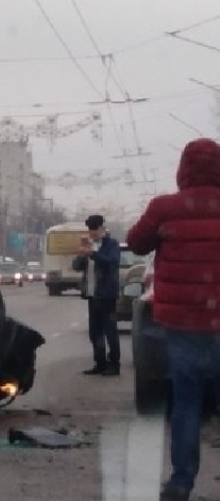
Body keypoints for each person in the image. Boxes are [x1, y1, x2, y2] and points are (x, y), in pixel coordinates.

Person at [126, 137, 220, 501]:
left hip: (184, 324)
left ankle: (182, 482)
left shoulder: (165, 208)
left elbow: (136, 242)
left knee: (187, 401)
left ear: (183, 169)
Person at [72, 214, 122, 376]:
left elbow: (111, 262)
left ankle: (114, 364)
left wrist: (92, 253)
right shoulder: (89, 244)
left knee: (110, 331)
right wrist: (81, 254)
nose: (92, 233)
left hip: (107, 295)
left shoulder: (111, 244)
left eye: (95, 229)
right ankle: (100, 362)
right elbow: (77, 267)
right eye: (90, 229)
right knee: (95, 331)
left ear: (102, 228)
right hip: (92, 295)